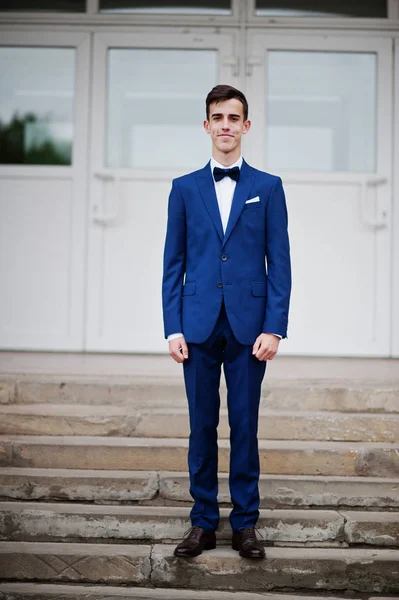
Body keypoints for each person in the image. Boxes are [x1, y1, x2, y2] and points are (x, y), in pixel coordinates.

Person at [162, 84, 291, 560]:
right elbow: (172, 263)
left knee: (244, 425)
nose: (225, 126)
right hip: (195, 327)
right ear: (206, 125)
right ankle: (202, 523)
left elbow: (279, 262)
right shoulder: (183, 188)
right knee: (201, 426)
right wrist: (172, 327)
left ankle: (245, 524)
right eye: (218, 117)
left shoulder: (267, 187)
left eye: (234, 118)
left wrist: (274, 327)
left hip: (249, 327)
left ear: (246, 126)